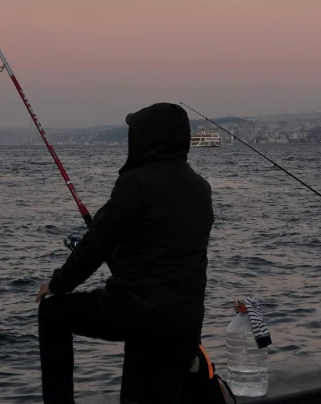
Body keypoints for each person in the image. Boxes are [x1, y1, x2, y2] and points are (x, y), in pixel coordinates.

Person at [37, 102, 214, 404]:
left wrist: (57, 284)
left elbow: (94, 246)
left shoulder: (135, 184)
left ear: (145, 139)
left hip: (136, 313)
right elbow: (167, 253)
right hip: (184, 322)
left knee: (52, 313)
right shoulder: (201, 187)